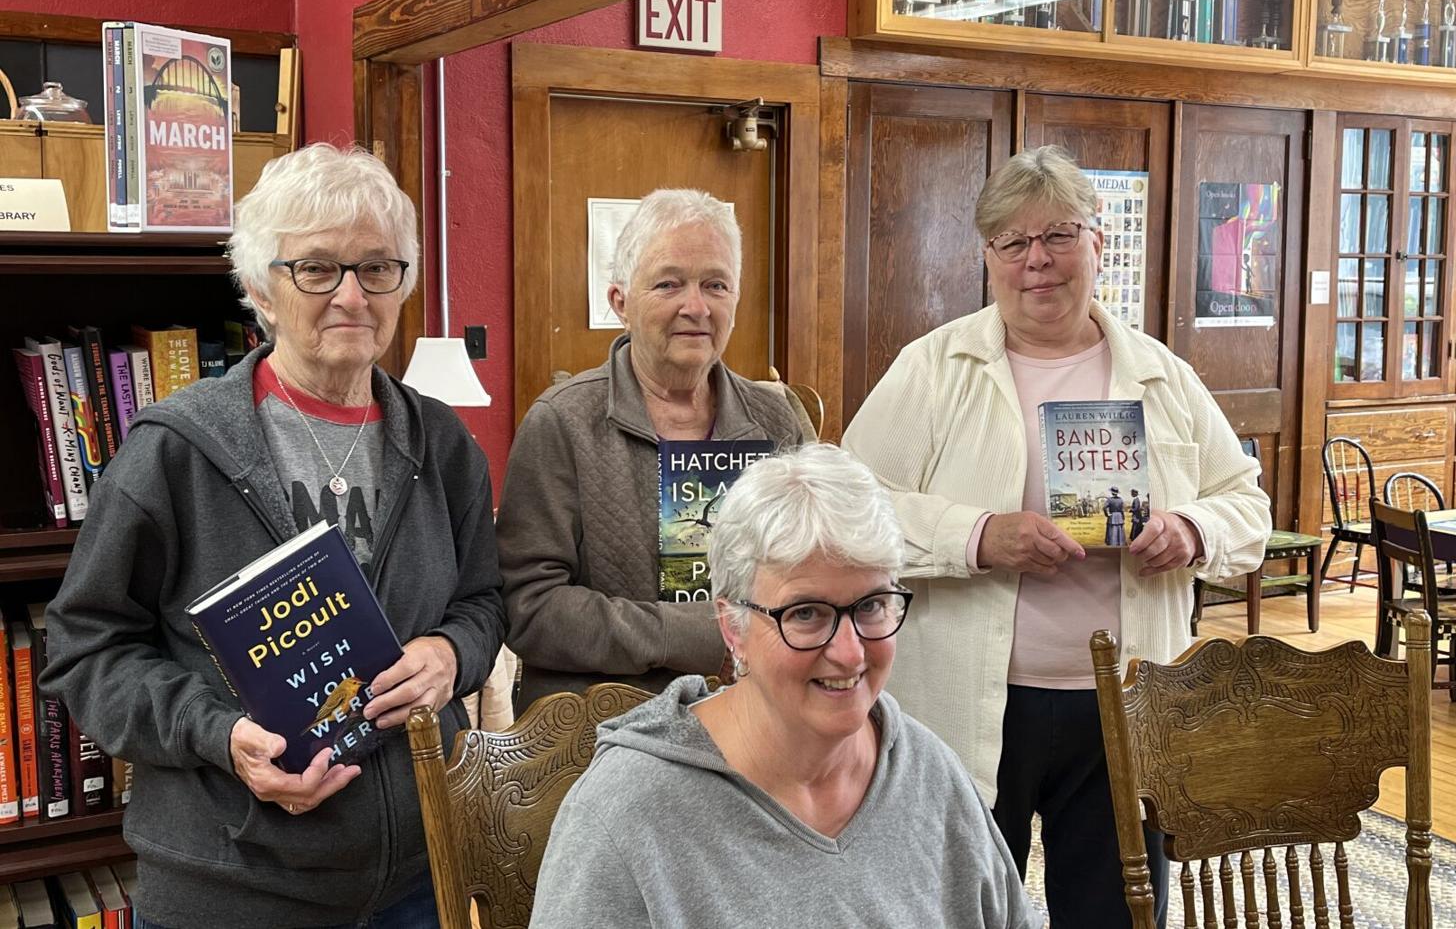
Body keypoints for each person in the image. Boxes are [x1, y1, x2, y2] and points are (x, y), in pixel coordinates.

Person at [40, 144, 507, 929]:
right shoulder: (176, 450)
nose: (353, 296)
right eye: (317, 268)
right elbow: (87, 648)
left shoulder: (442, 443)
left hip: (417, 880)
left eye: (378, 267)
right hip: (232, 889)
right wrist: (219, 736)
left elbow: (485, 601)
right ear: (260, 285)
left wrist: (452, 654)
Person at [842, 145, 1269, 929]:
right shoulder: (933, 369)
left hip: (1125, 705)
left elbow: (1246, 504)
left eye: (1058, 236)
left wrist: (1191, 528)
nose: (1037, 260)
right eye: (1013, 242)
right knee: (958, 909)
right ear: (988, 258)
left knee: (1113, 914)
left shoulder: (1163, 376)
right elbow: (849, 507)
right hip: (967, 705)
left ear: (1098, 242)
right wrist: (975, 535)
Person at [530, 444, 1040, 929]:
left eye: (871, 606)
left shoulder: (929, 774)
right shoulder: (627, 814)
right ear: (733, 629)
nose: (850, 652)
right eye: (806, 614)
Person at [497, 188, 811, 709]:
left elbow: (812, 575)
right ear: (620, 301)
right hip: (602, 737)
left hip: (755, 721)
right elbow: (528, 608)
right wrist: (688, 634)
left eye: (716, 284)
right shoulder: (561, 423)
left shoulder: (777, 422)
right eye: (669, 284)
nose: (696, 306)